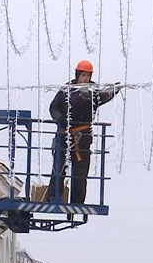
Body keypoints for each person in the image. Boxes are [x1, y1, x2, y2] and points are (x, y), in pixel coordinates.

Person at [46, 59, 120, 205]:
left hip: (83, 136)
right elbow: (53, 107)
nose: (85, 79)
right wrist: (60, 119)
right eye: (83, 75)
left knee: (80, 172)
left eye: (87, 76)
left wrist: (114, 90)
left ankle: (77, 201)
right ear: (77, 75)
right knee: (59, 169)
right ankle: (53, 197)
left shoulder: (92, 92)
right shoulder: (66, 89)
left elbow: (103, 97)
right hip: (64, 134)